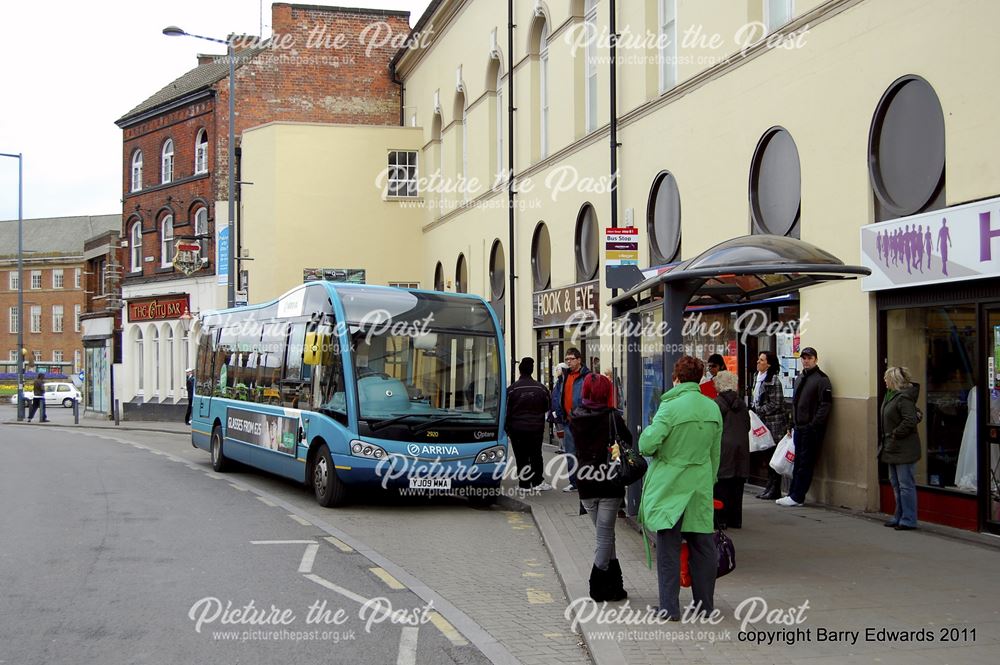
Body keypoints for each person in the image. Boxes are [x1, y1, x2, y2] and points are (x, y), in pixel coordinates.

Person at [639, 356, 722, 621]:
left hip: (671, 483)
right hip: (700, 481)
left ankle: (669, 607)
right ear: (699, 378)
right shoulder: (712, 408)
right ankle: (705, 606)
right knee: (703, 546)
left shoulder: (670, 407)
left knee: (668, 547)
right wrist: (709, 480)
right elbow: (715, 454)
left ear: (677, 378)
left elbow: (646, 445)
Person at [570, 373, 630, 601]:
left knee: (605, 534)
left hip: (585, 484)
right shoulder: (613, 417)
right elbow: (629, 441)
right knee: (604, 536)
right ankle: (596, 585)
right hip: (609, 482)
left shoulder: (575, 417)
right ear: (607, 392)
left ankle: (614, 587)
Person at [777, 347, 833, 507]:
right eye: (804, 358)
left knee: (805, 463)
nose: (806, 361)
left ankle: (798, 496)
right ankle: (793, 494)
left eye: (809, 358)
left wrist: (814, 425)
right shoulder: (801, 377)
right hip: (799, 427)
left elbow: (825, 405)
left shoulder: (822, 379)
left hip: (811, 429)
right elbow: (795, 404)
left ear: (815, 359)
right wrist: (791, 423)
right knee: (798, 462)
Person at [880, 367, 921, 530]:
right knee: (896, 484)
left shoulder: (903, 398)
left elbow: (910, 420)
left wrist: (895, 434)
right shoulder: (890, 396)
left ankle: (909, 518)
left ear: (893, 380)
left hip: (904, 448)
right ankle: (899, 515)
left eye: (886, 378)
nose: (884, 380)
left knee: (905, 485)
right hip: (891, 446)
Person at [506, 357, 554, 491]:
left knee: (521, 456)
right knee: (536, 455)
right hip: (535, 428)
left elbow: (506, 409)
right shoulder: (541, 388)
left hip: (516, 429)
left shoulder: (511, 389)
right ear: (532, 370)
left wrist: (507, 427)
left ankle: (524, 483)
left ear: (520, 370)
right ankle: (538, 482)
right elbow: (547, 406)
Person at [713, 370, 750, 529]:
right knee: (737, 485)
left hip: (723, 448)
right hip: (741, 448)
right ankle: (736, 520)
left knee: (721, 486)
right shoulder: (741, 403)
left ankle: (721, 520)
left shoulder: (716, 404)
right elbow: (747, 425)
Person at [751, 351, 789, 500]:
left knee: (773, 455)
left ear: (769, 364)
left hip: (773, 423)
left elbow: (777, 403)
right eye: (758, 359)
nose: (758, 362)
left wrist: (760, 410)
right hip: (761, 422)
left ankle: (775, 488)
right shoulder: (757, 377)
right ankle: (768, 486)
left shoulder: (774, 380)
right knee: (765, 456)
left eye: (761, 360)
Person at [552, 348, 591, 492]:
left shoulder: (587, 376)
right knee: (570, 453)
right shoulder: (564, 376)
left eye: (571, 359)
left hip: (583, 421)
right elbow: (558, 395)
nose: (568, 361)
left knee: (584, 453)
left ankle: (586, 481)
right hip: (568, 421)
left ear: (579, 359)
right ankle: (573, 482)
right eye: (567, 359)